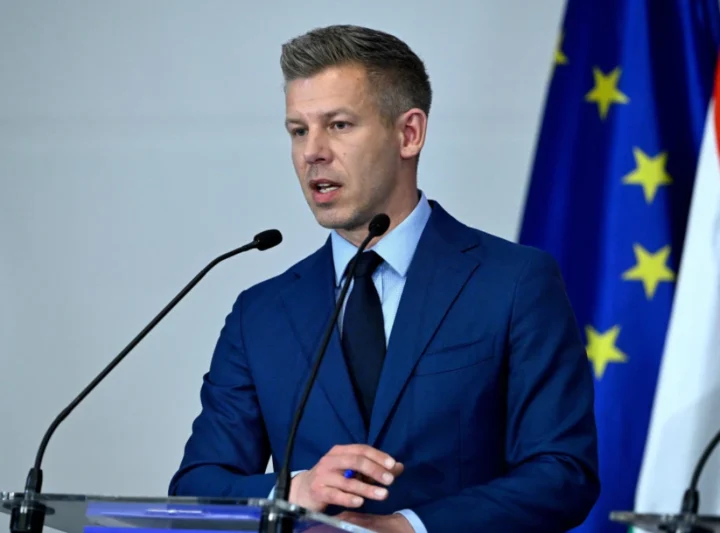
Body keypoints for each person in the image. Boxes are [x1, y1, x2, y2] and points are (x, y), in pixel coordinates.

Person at [169, 24, 600, 533]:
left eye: (339, 125)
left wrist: (407, 527)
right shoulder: (259, 314)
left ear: (409, 134)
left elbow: (562, 473)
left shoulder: (514, 282)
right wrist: (293, 490)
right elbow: (196, 491)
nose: (312, 152)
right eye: (298, 130)